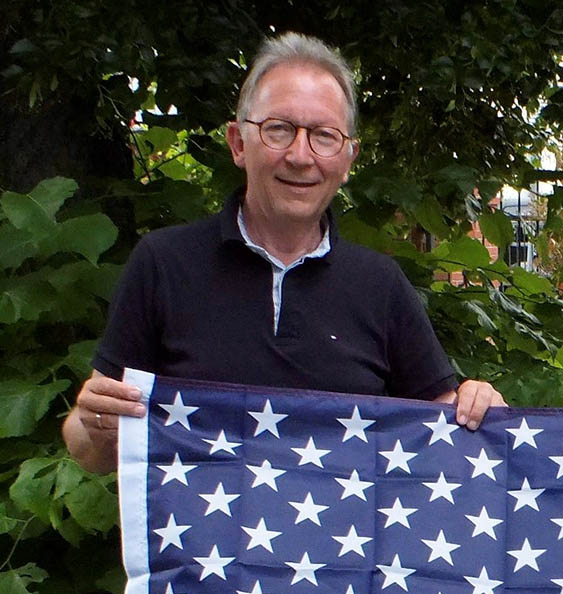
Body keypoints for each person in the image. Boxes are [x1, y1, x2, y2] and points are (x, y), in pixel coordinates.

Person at [63, 32, 504, 474]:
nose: (300, 155)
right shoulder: (163, 263)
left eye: (324, 136)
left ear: (348, 158)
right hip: (198, 544)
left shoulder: (380, 284)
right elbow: (90, 450)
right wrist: (91, 422)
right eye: (279, 130)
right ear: (238, 143)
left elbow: (449, 426)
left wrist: (481, 407)